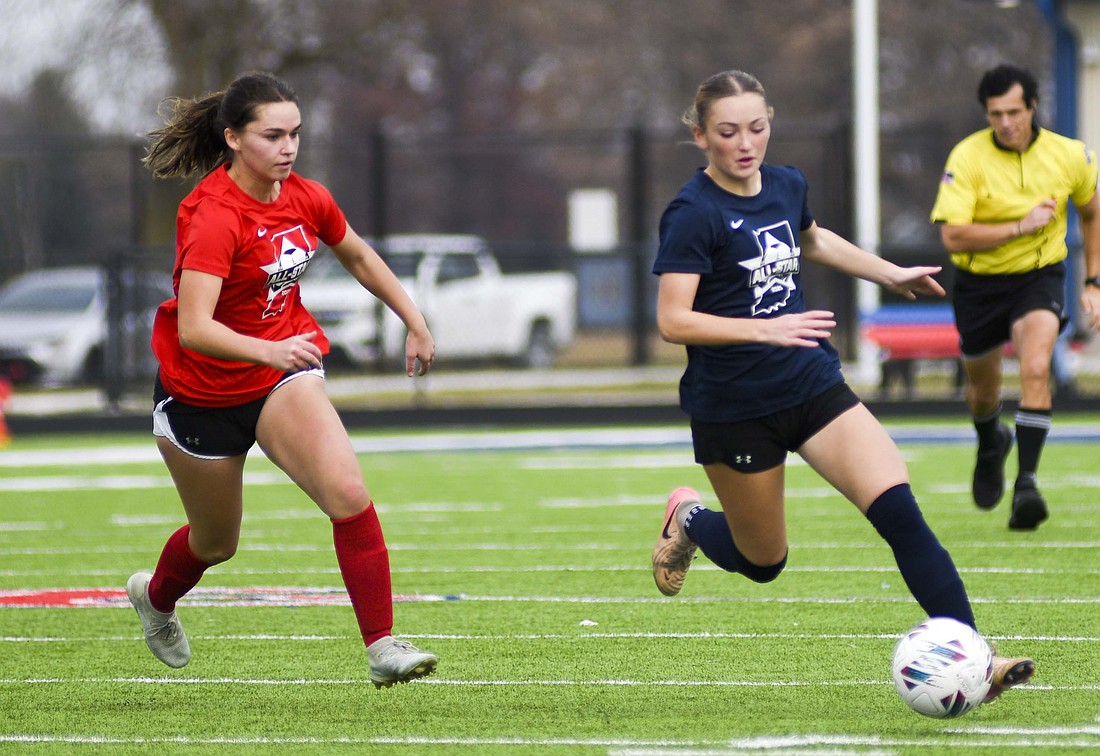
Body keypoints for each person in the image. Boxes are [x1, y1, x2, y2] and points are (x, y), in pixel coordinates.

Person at [649, 70, 1033, 703]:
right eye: (727, 132)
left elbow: (812, 238)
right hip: (735, 409)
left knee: (901, 514)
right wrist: (762, 330)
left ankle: (978, 658)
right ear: (700, 137)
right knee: (764, 562)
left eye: (757, 127)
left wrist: (888, 273)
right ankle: (689, 518)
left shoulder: (786, 184)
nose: (746, 143)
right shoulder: (692, 214)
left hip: (811, 383)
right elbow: (672, 319)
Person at [127, 71, 438, 688]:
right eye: (273, 136)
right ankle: (156, 598)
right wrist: (266, 352)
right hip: (201, 396)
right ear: (234, 139)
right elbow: (193, 328)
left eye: (295, 134)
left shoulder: (304, 195)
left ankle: (382, 646)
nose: (288, 148)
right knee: (216, 544)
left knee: (348, 493)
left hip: (280, 377)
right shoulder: (213, 216)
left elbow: (357, 254)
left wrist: (414, 319)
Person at [930, 63, 1100, 530]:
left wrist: (1093, 282)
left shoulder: (1070, 156)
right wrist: (1018, 226)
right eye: (995, 113)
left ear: (1033, 107)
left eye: (1013, 112)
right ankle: (990, 443)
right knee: (983, 392)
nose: (1005, 123)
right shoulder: (966, 158)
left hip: (1039, 278)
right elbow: (954, 238)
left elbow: (1091, 212)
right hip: (979, 284)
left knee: (1036, 367)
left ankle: (1026, 485)